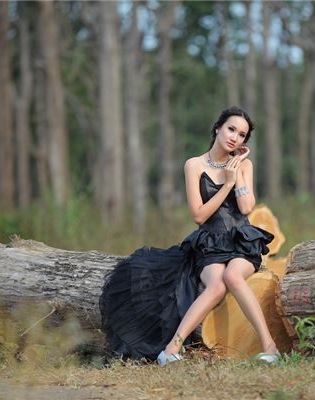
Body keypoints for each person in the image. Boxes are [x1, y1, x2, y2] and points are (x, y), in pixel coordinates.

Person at [99, 106, 279, 366]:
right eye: (231, 129)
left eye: (242, 135)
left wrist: (237, 171)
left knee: (232, 276)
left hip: (242, 241)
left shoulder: (244, 165)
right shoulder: (194, 165)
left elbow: (246, 208)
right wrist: (227, 184)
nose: (235, 138)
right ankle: (172, 348)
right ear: (217, 128)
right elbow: (199, 215)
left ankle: (270, 348)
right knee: (216, 286)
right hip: (210, 243)